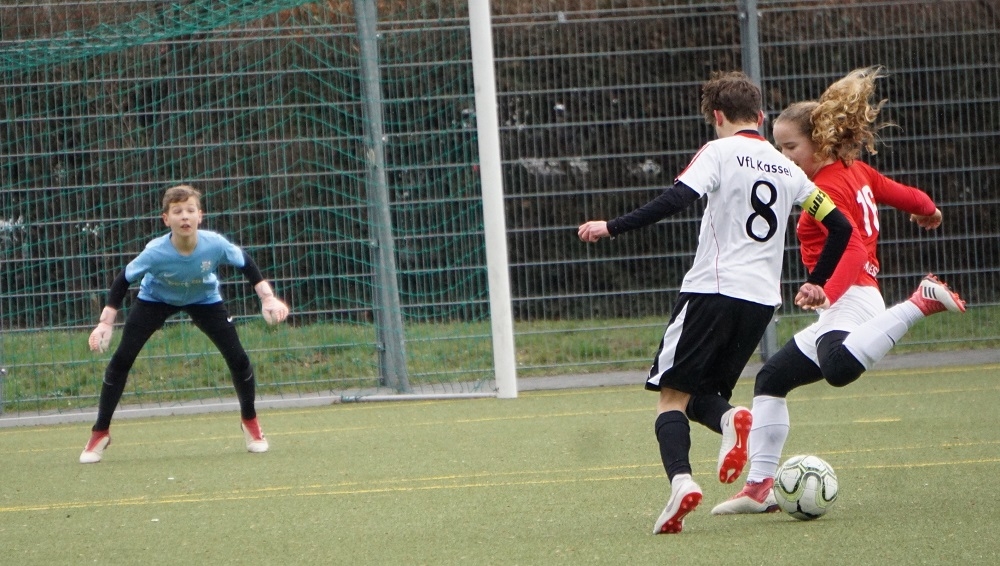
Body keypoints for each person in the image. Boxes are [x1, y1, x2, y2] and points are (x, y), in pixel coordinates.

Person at [577, 71, 856, 534]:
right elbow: (841, 227)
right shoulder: (787, 168)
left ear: (718, 116)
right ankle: (730, 418)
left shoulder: (719, 151)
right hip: (760, 303)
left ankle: (682, 481)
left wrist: (612, 226)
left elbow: (676, 198)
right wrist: (817, 281)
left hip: (711, 291)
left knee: (671, 397)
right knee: (700, 397)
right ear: (761, 117)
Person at [711, 67, 966, 515]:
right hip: (848, 297)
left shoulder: (825, 187)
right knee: (771, 380)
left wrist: (825, 288)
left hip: (852, 295)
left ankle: (920, 302)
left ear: (820, 143)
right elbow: (904, 194)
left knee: (838, 368)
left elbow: (850, 246)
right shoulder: (857, 171)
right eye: (779, 147)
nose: (784, 156)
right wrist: (929, 210)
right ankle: (759, 487)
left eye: (791, 147)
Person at [79, 184, 290, 464]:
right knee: (121, 360)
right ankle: (100, 432)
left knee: (238, 358)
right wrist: (106, 322)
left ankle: (250, 422)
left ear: (200, 215)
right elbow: (124, 279)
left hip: (204, 299)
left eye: (190, 210)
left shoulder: (215, 244)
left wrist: (267, 298)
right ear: (166, 219)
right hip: (155, 300)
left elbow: (245, 263)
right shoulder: (155, 252)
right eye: (177, 212)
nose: (185, 217)